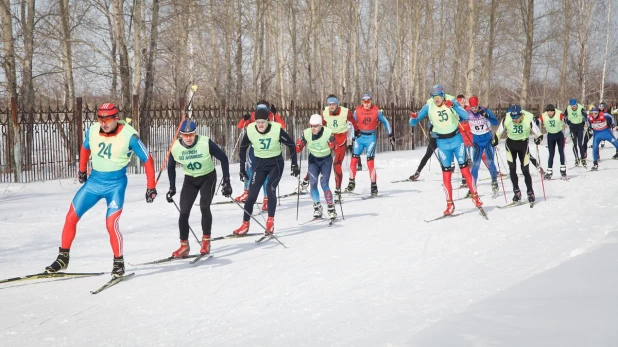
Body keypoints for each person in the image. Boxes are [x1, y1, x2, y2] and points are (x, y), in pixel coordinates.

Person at [45, 103, 157, 277]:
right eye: (100, 119)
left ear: (115, 118)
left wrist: (151, 186)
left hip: (115, 185)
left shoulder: (130, 136)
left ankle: (118, 262)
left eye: (107, 120)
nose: (103, 123)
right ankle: (63, 258)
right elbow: (85, 147)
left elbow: (147, 159)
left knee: (111, 224)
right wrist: (82, 169)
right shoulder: (92, 130)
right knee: (71, 217)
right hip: (94, 182)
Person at [409, 85, 483, 215]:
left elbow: (466, 116)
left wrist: (453, 106)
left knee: (465, 170)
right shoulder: (429, 105)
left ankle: (475, 197)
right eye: (434, 96)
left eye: (438, 96)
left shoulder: (452, 101)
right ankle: (449, 205)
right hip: (442, 144)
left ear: (443, 95)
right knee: (446, 175)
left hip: (456, 140)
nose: (436, 99)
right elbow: (413, 123)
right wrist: (413, 117)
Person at [165, 119, 232, 257]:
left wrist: (226, 181)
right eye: (185, 135)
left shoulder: (205, 142)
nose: (188, 138)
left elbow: (224, 158)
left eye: (191, 134)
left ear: (195, 133)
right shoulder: (176, 147)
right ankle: (184, 246)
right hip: (190, 179)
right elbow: (170, 167)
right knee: (183, 212)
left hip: (208, 177)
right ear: (181, 135)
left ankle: (206, 241)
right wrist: (172, 187)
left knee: (204, 206)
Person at [233, 108, 299, 236]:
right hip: (260, 164)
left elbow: (291, 144)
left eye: (263, 122)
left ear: (268, 121)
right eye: (258, 122)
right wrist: (242, 169)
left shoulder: (276, 129)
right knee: (251, 195)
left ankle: (270, 222)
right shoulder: (251, 129)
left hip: (276, 164)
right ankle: (245, 225)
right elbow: (242, 149)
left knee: (270, 188)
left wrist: (294, 164)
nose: (260, 125)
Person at [234, 101, 285, 212]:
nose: (261, 110)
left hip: (268, 151)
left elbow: (282, 126)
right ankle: (247, 192)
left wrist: (276, 115)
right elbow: (240, 126)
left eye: (264, 108)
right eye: (259, 108)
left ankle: (266, 199)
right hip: (255, 148)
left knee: (265, 174)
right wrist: (244, 119)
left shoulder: (271, 116)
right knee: (250, 169)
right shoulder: (254, 115)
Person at [344, 94, 394, 196]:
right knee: (353, 160)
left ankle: (374, 186)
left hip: (371, 138)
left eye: (368, 102)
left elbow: (385, 121)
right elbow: (352, 124)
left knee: (370, 163)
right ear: (362, 102)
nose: (366, 104)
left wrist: (390, 134)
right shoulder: (357, 111)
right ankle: (351, 183)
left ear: (371, 101)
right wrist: (351, 139)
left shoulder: (376, 111)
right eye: (364, 102)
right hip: (359, 138)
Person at [495, 104, 543, 203]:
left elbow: (539, 134)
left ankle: (530, 192)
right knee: (512, 169)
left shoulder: (528, 119)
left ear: (520, 115)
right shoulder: (507, 119)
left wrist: (538, 139)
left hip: (523, 145)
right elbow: (498, 132)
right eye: (513, 117)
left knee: (525, 170)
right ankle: (516, 192)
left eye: (516, 117)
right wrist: (495, 140)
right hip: (510, 145)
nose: (514, 119)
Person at [296, 114, 337, 220]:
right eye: (311, 126)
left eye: (315, 126)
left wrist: (332, 144)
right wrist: (299, 146)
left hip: (326, 160)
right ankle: (317, 207)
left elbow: (335, 144)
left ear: (321, 125)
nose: (313, 128)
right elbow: (300, 144)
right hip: (313, 159)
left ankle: (331, 208)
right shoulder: (306, 133)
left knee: (324, 184)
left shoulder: (328, 132)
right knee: (313, 183)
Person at [323, 94, 360, 201]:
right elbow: (323, 125)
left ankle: (338, 190)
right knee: (320, 160)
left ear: (337, 104)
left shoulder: (345, 111)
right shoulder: (325, 112)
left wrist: (357, 130)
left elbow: (353, 120)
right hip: (329, 138)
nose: (331, 106)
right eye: (329, 104)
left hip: (340, 139)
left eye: (333, 104)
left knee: (337, 164)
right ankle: (306, 180)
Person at [466, 96, 500, 194]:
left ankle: (494, 181)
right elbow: (459, 121)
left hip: (488, 141)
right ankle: (472, 188)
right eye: (472, 108)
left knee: (490, 162)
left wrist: (487, 116)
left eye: (476, 107)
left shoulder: (485, 110)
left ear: (478, 104)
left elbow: (495, 122)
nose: (475, 109)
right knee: (475, 165)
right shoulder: (467, 113)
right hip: (476, 142)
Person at [539, 104, 567, 179]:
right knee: (551, 153)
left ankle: (563, 171)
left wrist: (566, 121)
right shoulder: (544, 115)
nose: (550, 113)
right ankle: (549, 172)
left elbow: (565, 119)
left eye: (551, 111)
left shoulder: (559, 114)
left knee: (561, 151)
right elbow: (537, 121)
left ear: (554, 111)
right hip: (550, 136)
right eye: (548, 111)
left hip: (559, 134)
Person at [587, 106, 618, 171]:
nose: (594, 115)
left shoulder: (603, 115)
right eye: (592, 113)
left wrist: (612, 124)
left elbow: (610, 116)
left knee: (616, 143)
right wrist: (590, 127)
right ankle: (595, 164)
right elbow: (588, 121)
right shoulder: (589, 117)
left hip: (606, 132)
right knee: (595, 148)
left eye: (595, 113)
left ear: (598, 112)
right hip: (597, 134)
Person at [564, 98, 589, 168]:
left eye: (574, 106)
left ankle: (583, 159)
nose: (573, 107)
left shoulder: (580, 108)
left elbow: (586, 116)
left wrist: (585, 122)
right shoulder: (568, 108)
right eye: (572, 106)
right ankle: (576, 158)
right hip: (572, 127)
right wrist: (567, 122)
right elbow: (564, 116)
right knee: (574, 144)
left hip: (580, 127)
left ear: (576, 104)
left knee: (580, 144)